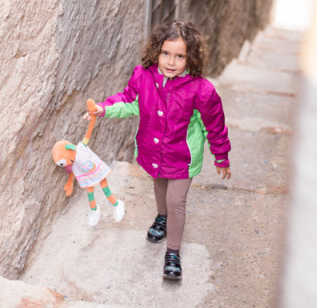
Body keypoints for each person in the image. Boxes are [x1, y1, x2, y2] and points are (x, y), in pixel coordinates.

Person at [84, 20, 231, 281]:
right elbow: (128, 101)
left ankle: (172, 252)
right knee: (160, 186)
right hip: (153, 151)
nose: (171, 62)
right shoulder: (143, 76)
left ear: (191, 58)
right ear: (156, 51)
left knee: (177, 201)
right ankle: (161, 218)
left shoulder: (201, 90)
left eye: (180, 56)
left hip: (183, 158)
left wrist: (220, 155)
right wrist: (103, 108)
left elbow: (215, 125)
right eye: (166, 53)